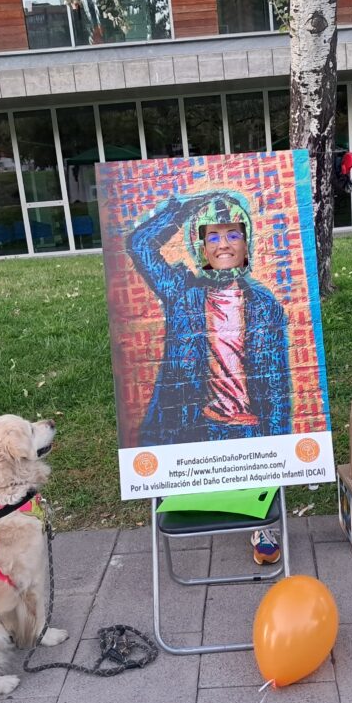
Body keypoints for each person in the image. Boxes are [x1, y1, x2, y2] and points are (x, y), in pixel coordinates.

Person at [125, 192, 291, 566]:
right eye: (212, 236)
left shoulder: (265, 305)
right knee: (195, 501)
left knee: (257, 497)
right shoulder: (182, 294)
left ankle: (263, 527)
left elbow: (278, 385)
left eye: (232, 234)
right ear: (199, 246)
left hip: (249, 430)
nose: (223, 244)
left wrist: (283, 451)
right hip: (196, 427)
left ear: (246, 241)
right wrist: (183, 207)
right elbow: (140, 244)